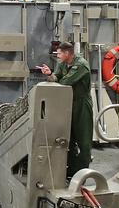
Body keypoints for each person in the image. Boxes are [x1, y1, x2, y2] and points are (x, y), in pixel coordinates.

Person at [37, 42, 93, 178]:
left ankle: (81, 175)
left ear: (68, 53)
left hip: (81, 105)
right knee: (69, 138)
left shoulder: (81, 65)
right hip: (66, 103)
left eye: (60, 53)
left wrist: (55, 79)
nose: (58, 56)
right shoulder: (63, 63)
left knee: (84, 142)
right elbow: (57, 76)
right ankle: (70, 171)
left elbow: (65, 82)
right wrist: (49, 74)